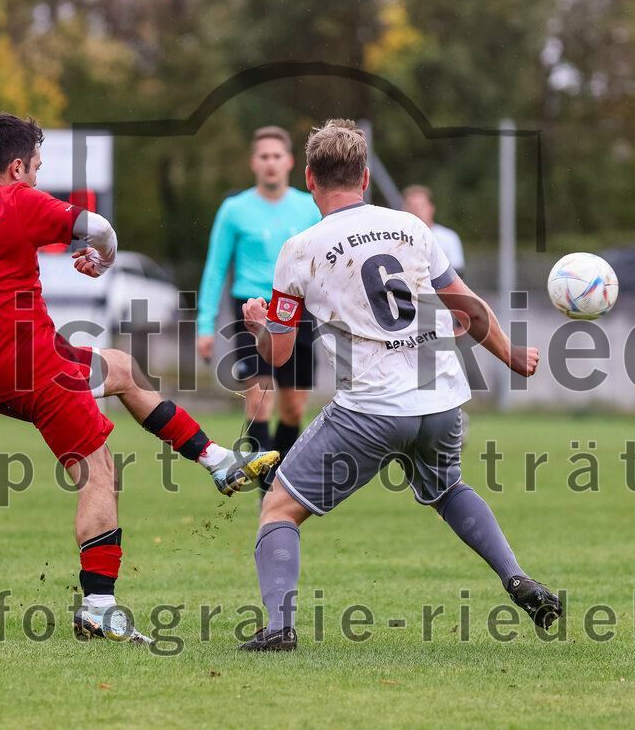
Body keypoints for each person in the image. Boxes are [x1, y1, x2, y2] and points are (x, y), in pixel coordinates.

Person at [0, 113, 279, 647]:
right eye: (35, 168)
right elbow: (101, 230)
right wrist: (100, 259)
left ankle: (219, 462)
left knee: (124, 370)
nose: (36, 178)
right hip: (37, 369)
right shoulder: (17, 201)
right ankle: (99, 606)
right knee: (99, 470)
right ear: (16, 166)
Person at [238, 120, 562, 651]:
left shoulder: (300, 249)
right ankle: (517, 578)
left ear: (309, 180)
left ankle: (279, 629)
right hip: (441, 399)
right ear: (365, 177)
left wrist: (256, 324)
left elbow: (277, 354)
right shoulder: (412, 228)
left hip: (369, 409)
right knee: (448, 488)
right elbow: (467, 305)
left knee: (278, 507)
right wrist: (510, 356)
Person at [196, 126, 321, 497]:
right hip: (252, 311)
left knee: (294, 408)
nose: (270, 163)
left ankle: (280, 477)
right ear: (254, 163)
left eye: (276, 156)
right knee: (259, 397)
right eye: (263, 156)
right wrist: (205, 325)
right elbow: (216, 268)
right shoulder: (235, 210)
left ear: (289, 163)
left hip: (298, 310)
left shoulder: (308, 207)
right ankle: (268, 491)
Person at [402, 185, 465, 277]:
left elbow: (457, 272)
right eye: (412, 206)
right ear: (404, 210)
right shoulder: (396, 238)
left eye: (421, 206)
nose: (417, 211)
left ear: (431, 208)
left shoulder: (448, 237)